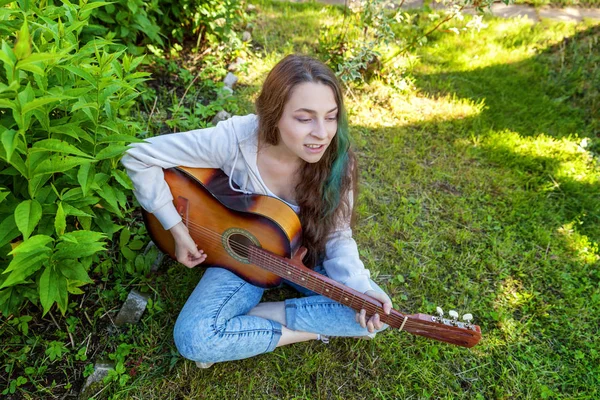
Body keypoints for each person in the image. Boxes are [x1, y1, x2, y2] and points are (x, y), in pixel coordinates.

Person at [121, 54, 392, 366]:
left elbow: (338, 236)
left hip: (303, 254)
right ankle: (309, 329)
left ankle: (258, 317)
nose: (322, 133)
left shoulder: (338, 161)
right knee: (194, 338)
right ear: (273, 115)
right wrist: (177, 229)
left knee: (376, 315)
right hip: (243, 258)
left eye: (330, 117)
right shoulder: (234, 140)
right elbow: (138, 156)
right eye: (304, 119)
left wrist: (359, 288)